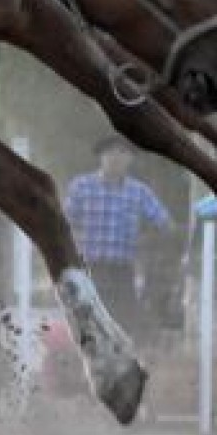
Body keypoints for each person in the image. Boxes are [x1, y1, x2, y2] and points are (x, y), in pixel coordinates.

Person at [63, 135, 173, 340]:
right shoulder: (82, 187)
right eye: (110, 152)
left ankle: (122, 364)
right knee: (88, 322)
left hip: (122, 269)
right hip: (90, 267)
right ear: (100, 157)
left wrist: (147, 242)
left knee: (123, 322)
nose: (116, 157)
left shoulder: (138, 192)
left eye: (123, 152)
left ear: (130, 159)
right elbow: (63, 221)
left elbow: (164, 222)